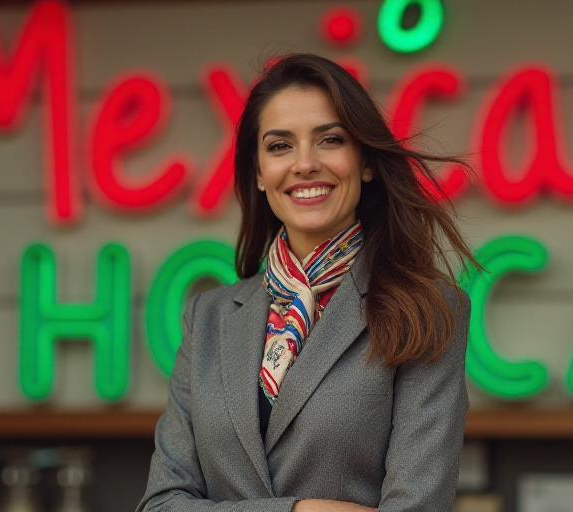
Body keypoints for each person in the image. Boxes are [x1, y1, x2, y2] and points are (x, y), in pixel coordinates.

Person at [138, 53, 478, 512]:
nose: (304, 164)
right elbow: (160, 505)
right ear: (258, 172)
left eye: (330, 140)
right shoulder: (208, 318)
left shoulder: (428, 309)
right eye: (279, 146)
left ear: (365, 162)